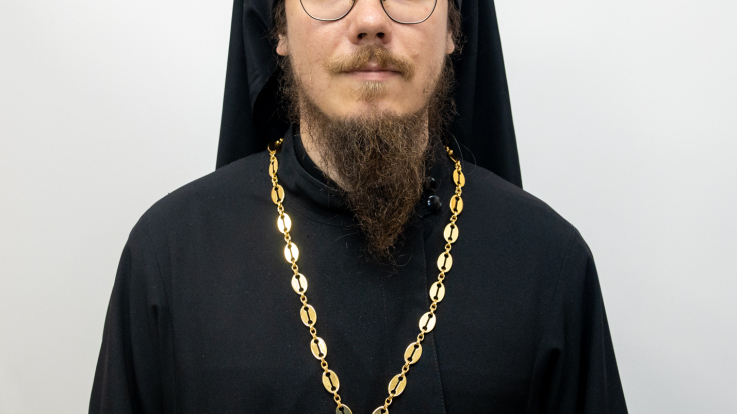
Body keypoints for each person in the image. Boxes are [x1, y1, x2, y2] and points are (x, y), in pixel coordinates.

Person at [90, 0, 628, 413]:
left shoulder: (550, 264)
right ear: (278, 29)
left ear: (455, 28)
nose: (370, 21)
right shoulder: (168, 259)